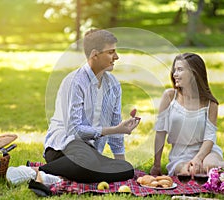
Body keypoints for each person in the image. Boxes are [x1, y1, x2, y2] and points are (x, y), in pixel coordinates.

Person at [7, 29, 140, 186]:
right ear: (94, 54)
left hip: (89, 151)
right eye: (111, 52)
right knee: (87, 162)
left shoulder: (114, 85)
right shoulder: (75, 82)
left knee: (127, 169)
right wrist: (115, 129)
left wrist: (120, 166)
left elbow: (116, 128)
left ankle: (57, 177)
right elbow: (75, 131)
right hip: (62, 147)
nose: (116, 57)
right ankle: (34, 172)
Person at [149, 53, 224, 177]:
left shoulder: (210, 104)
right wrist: (157, 165)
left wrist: (198, 158)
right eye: (174, 70)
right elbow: (160, 133)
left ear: (194, 73)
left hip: (206, 152)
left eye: (180, 70)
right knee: (191, 172)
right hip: (180, 156)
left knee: (211, 167)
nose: (175, 74)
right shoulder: (169, 97)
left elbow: (209, 138)